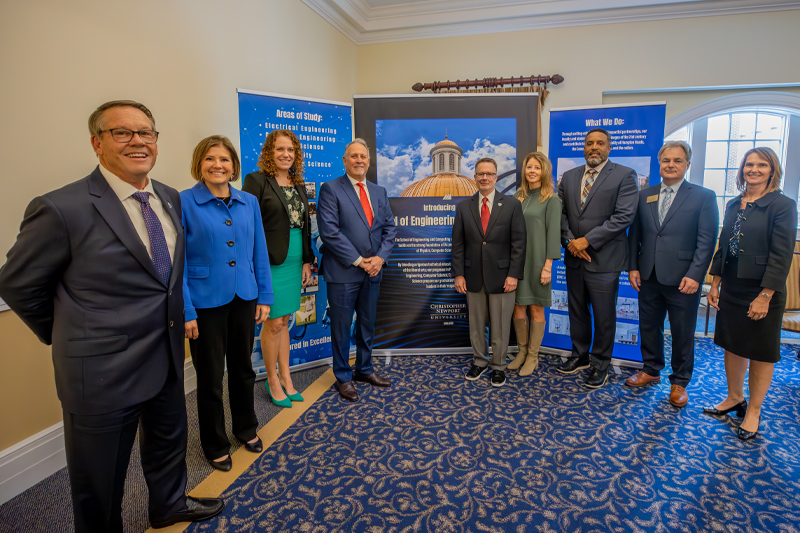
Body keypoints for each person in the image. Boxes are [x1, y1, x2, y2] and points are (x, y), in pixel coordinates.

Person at [0, 100, 223, 532]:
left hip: (166, 357)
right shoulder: (61, 207)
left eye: (146, 132)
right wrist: (71, 334)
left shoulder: (169, 197)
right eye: (123, 133)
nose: (138, 140)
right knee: (99, 479)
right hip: (101, 371)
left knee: (167, 444)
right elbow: (17, 285)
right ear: (97, 144)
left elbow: (165, 280)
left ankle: (169, 504)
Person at [182, 135, 273, 471]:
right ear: (199, 164)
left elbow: (257, 251)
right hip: (204, 303)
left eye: (224, 159)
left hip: (244, 296)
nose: (217, 165)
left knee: (243, 369)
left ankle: (246, 427)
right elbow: (176, 265)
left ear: (234, 166)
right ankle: (215, 443)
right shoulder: (184, 202)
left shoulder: (249, 201)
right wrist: (186, 309)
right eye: (210, 159)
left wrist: (264, 294)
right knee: (209, 378)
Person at [704, 147, 797, 440]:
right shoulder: (734, 203)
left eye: (761, 165)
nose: (753, 169)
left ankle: (754, 410)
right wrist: (715, 283)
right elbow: (724, 246)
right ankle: (734, 398)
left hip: (763, 290)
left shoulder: (782, 205)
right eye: (748, 165)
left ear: (772, 170)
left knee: (760, 352)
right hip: (732, 286)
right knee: (732, 345)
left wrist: (766, 295)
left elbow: (782, 255)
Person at [627, 141, 718, 407]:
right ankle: (651, 369)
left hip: (683, 279)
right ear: (659, 164)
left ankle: (680, 382)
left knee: (682, 331)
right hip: (648, 274)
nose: (671, 165)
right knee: (648, 325)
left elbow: (706, 241)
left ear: (687, 164)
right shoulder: (645, 195)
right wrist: (633, 266)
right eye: (666, 160)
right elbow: (636, 235)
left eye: (677, 160)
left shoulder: (703, 196)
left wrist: (696, 275)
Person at [557, 128, 638, 388]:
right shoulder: (569, 177)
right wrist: (570, 242)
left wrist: (587, 240)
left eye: (600, 143)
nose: (594, 147)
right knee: (577, 311)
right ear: (584, 147)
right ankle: (580, 355)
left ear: (609, 147)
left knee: (604, 316)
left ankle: (600, 364)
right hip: (574, 257)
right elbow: (560, 214)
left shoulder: (625, 175)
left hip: (605, 259)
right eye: (589, 143)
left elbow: (623, 216)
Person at [317, 139, 396, 402]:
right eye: (354, 156)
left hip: (373, 272)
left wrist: (379, 259)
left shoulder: (379, 191)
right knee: (341, 327)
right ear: (345, 160)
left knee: (367, 324)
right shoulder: (330, 189)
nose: (359, 160)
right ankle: (343, 377)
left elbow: (389, 229)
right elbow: (329, 232)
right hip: (343, 271)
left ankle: (364, 369)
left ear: (369, 161)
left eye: (363, 156)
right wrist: (360, 260)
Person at [242, 130, 314, 408]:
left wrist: (307, 259)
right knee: (272, 323)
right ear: (269, 153)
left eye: (291, 150)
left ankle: (287, 377)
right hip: (269, 261)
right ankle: (272, 379)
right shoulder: (256, 180)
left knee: (284, 321)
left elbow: (304, 226)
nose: (286, 154)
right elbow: (247, 223)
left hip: (295, 260)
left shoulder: (297, 183)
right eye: (280, 149)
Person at [452, 157, 526, 387]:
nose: (484, 177)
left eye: (489, 174)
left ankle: (498, 366)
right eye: (480, 174)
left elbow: (519, 243)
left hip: (503, 277)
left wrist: (514, 274)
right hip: (472, 276)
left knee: (501, 325)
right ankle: (479, 361)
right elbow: (458, 244)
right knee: (476, 324)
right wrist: (458, 274)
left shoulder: (512, 204)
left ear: (495, 177)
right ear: (474, 177)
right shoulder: (464, 207)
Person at [507, 152, 561, 376]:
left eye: (537, 167)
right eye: (529, 167)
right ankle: (521, 351)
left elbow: (553, 233)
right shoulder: (517, 196)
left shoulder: (551, 198)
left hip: (539, 261)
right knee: (517, 307)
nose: (532, 171)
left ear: (544, 171)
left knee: (536, 308)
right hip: (517, 261)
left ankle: (533, 356)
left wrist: (548, 266)